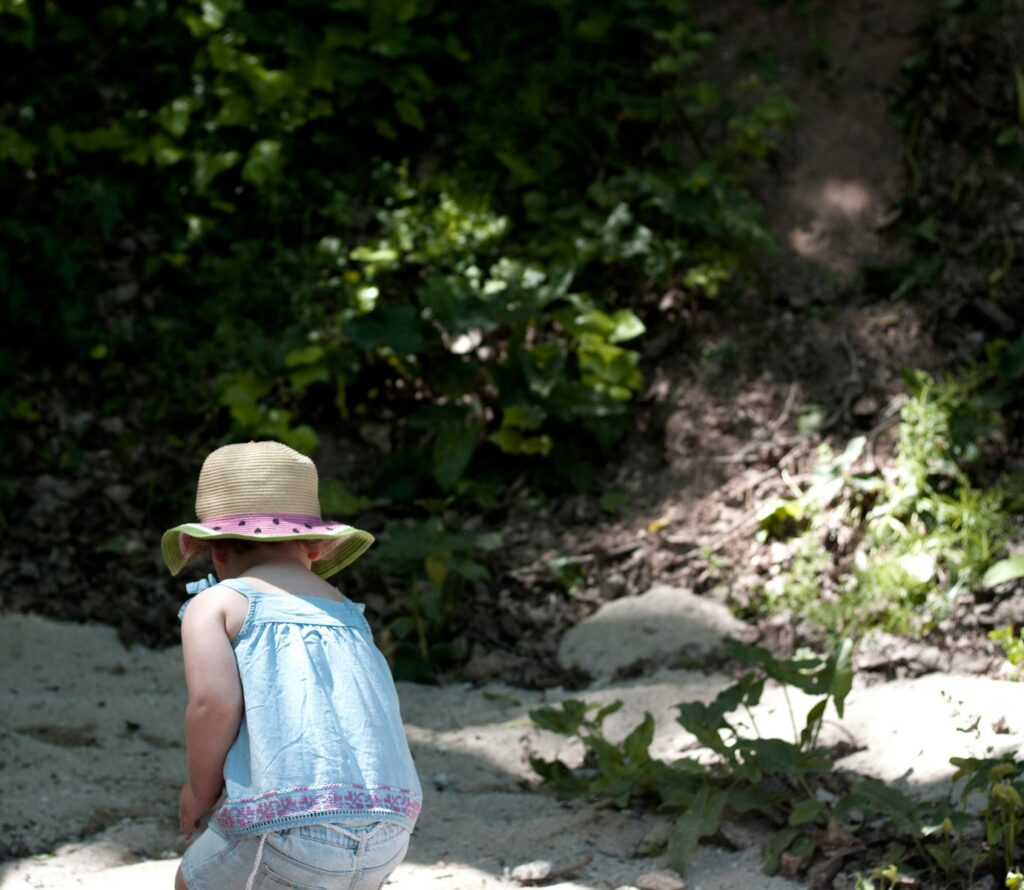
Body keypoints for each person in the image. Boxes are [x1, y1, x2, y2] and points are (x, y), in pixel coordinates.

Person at [161, 440, 422, 890]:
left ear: (215, 552)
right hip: (392, 826)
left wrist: (199, 792)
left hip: (289, 827)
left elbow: (213, 705)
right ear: (318, 547)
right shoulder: (347, 612)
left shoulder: (217, 603)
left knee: (193, 881)